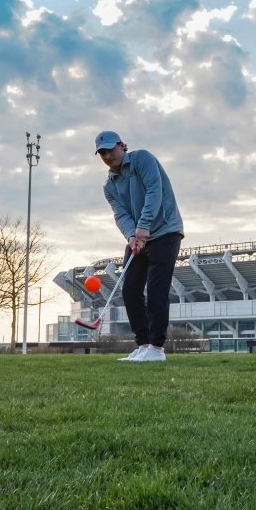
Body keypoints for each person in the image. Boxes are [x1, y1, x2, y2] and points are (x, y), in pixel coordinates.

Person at [95, 130, 184, 363]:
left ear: (122, 146)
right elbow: (120, 214)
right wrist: (131, 236)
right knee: (130, 290)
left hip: (166, 231)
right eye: (102, 152)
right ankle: (143, 345)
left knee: (156, 291)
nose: (107, 155)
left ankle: (156, 348)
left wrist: (143, 227)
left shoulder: (142, 159)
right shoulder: (109, 186)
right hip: (139, 237)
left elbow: (155, 191)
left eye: (110, 149)